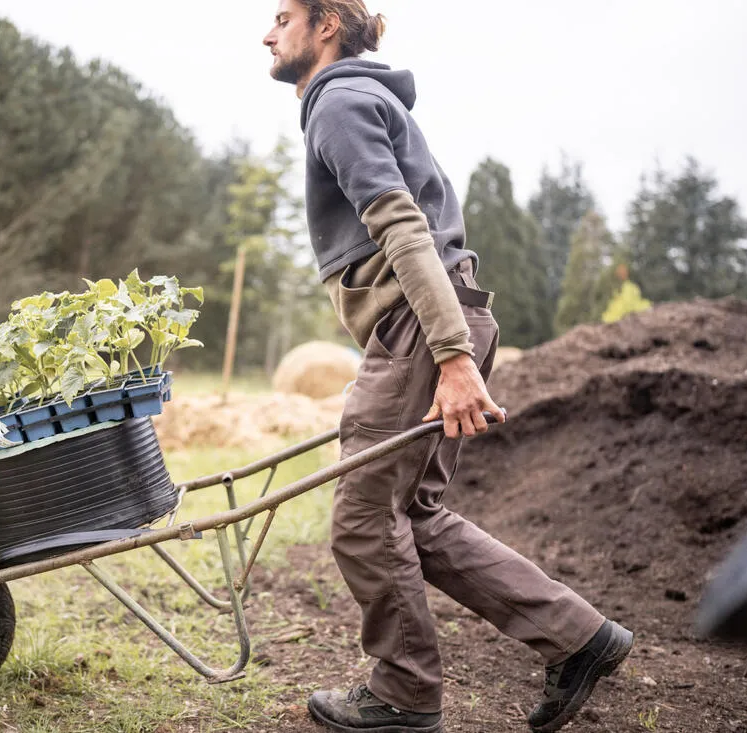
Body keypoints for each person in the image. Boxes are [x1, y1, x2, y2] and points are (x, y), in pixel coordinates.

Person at [261, 2, 633, 732]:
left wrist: (452, 355)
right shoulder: (360, 99)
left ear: (327, 24)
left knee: (365, 517)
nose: (266, 33)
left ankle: (402, 692)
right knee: (414, 517)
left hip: (423, 328)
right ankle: (580, 636)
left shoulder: (338, 101)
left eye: (282, 16)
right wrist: (455, 341)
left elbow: (401, 227)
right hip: (446, 316)